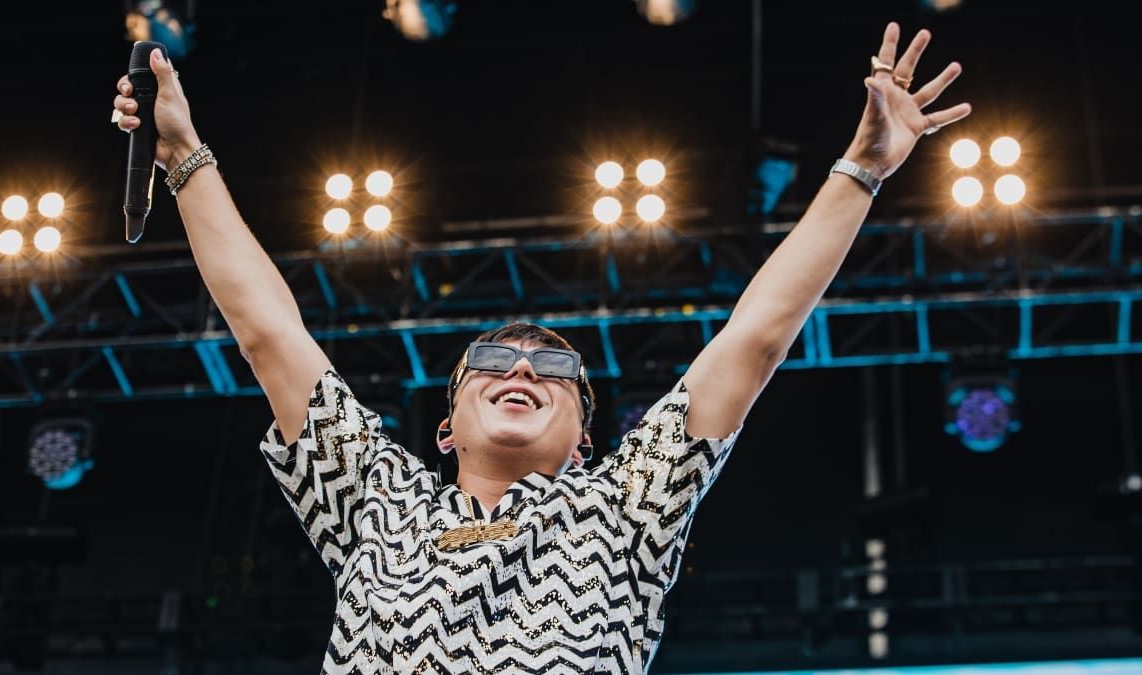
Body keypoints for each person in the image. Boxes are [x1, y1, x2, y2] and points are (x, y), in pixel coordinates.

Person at [112, 21, 969, 674]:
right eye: (490, 360)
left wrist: (861, 170)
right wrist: (184, 154)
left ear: (586, 440)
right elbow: (268, 332)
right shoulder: (379, 503)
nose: (522, 366)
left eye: (557, 369)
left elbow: (755, 339)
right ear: (444, 425)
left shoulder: (625, 509)